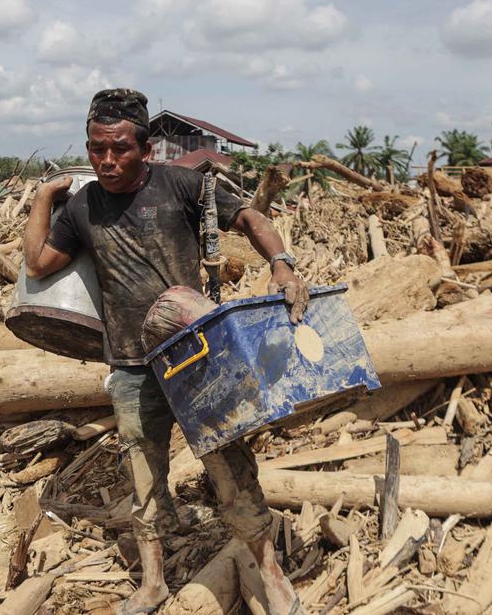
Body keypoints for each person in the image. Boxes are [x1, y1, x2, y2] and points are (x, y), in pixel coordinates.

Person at [23, 89, 308, 615]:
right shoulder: (83, 205)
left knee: (229, 462)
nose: (107, 161)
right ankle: (153, 583)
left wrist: (282, 262)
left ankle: (268, 570)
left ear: (146, 149)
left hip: (193, 357)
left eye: (120, 149)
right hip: (130, 364)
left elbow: (248, 219)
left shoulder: (184, 185)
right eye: (96, 149)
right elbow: (38, 264)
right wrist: (45, 197)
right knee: (143, 475)